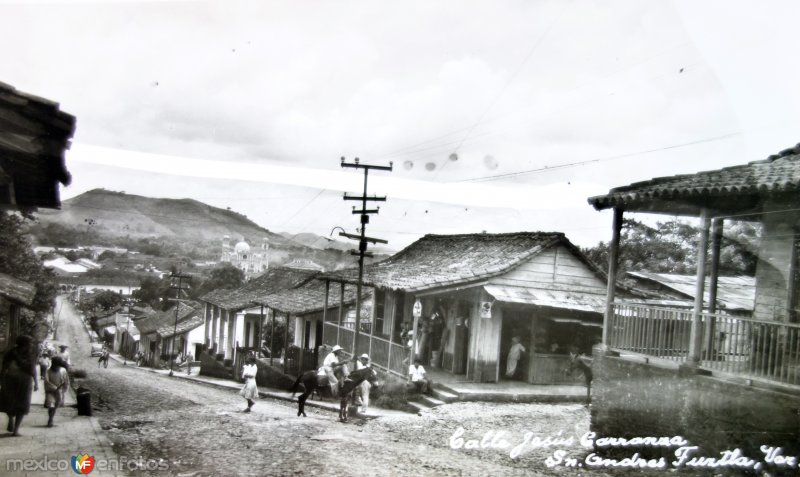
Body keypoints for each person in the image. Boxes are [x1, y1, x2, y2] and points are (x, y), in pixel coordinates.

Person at [0, 335, 38, 436]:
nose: (31, 345)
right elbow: (4, 367)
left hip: (19, 381)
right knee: (14, 403)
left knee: (18, 404)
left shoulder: (26, 354)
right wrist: (2, 381)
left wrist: (36, 383)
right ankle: (13, 422)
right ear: (24, 344)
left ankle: (15, 426)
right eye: (30, 343)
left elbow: (33, 369)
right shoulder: (15, 353)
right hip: (16, 381)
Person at [43, 356, 70, 428]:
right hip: (50, 391)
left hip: (59, 391)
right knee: (50, 405)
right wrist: (55, 388)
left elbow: (66, 381)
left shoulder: (63, 370)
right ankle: (50, 419)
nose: (56, 367)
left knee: (55, 405)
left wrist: (64, 388)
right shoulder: (48, 371)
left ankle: (51, 418)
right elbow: (46, 381)